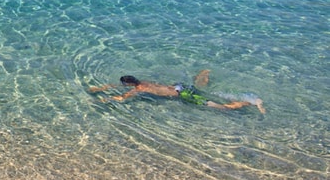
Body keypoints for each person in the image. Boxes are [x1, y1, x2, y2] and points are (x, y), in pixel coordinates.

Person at [89, 69, 264, 113]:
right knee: (199, 88)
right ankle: (203, 75)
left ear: (129, 84)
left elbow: (122, 98)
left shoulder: (139, 89)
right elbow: (124, 88)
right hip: (179, 86)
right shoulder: (142, 83)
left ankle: (251, 102)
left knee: (221, 107)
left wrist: (106, 100)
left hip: (184, 95)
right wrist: (102, 88)